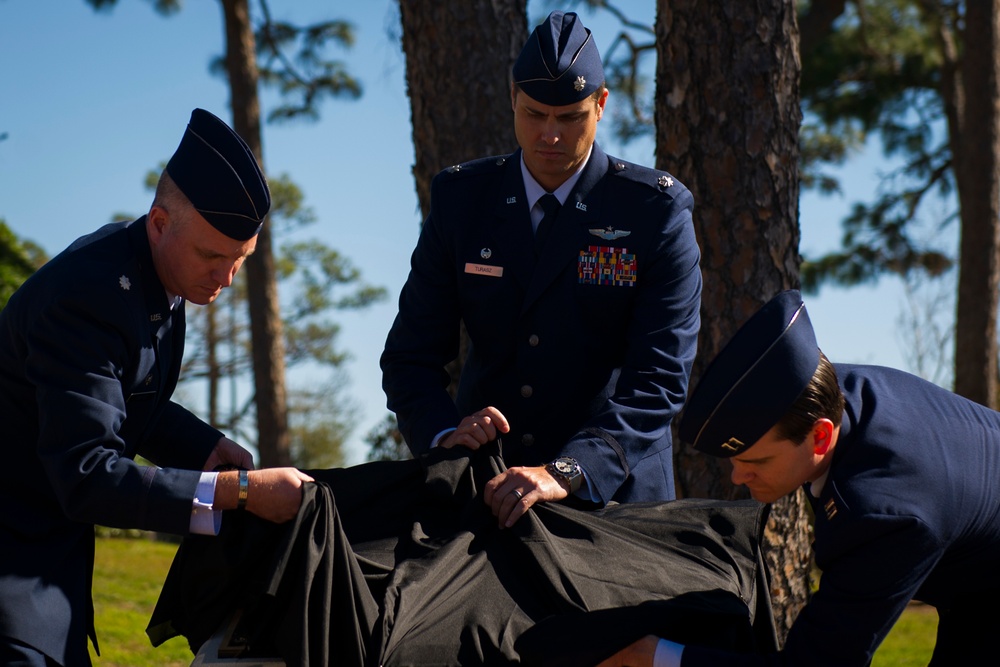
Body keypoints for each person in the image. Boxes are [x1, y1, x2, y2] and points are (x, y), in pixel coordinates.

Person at [0, 108, 314, 667]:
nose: (225, 279)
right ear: (159, 223)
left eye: (240, 260)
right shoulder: (87, 297)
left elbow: (119, 393)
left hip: (48, 560)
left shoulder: (157, 276)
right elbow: (88, 474)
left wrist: (203, 448)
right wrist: (237, 491)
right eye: (212, 256)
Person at [380, 10, 702, 529]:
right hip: (488, 494)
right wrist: (446, 436)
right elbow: (408, 359)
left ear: (600, 106)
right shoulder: (463, 201)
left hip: (614, 502)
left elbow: (659, 379)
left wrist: (569, 471)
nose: (550, 134)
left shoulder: (653, 214)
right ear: (512, 99)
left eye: (570, 117)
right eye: (534, 114)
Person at [597, 289, 1000, 667]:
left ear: (821, 435)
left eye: (757, 461)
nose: (738, 476)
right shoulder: (830, 394)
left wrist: (654, 657)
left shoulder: (884, 512)